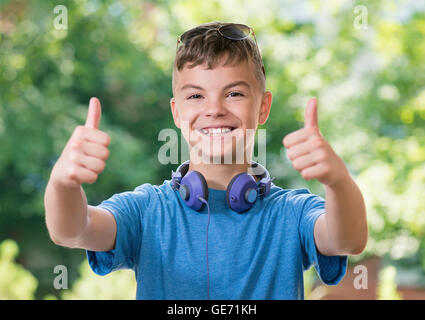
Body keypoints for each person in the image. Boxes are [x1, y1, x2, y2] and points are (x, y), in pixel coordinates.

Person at [44, 21, 368, 299]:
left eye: (234, 93)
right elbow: (72, 230)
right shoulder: (145, 210)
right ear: (177, 111)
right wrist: (62, 183)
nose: (214, 109)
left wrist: (338, 183)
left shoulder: (293, 213)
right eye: (196, 95)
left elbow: (348, 240)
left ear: (263, 107)